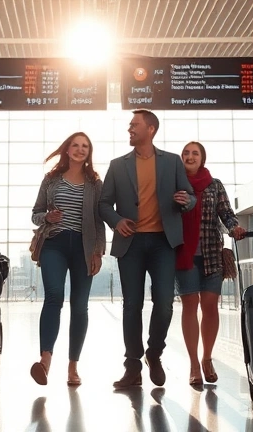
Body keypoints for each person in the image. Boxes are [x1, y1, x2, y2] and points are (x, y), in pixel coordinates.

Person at [99, 110, 196, 389]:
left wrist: (184, 200)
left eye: (134, 125)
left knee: (164, 303)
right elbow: (104, 204)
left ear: (150, 129)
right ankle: (132, 365)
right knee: (132, 306)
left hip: (163, 243)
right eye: (130, 125)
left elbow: (189, 195)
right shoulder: (118, 165)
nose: (129, 128)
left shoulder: (173, 162)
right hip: (131, 244)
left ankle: (154, 352)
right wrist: (117, 221)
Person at [29, 132, 106, 387]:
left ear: (89, 152)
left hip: (84, 248)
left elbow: (99, 220)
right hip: (55, 244)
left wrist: (98, 251)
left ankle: (73, 367)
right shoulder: (51, 180)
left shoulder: (95, 183)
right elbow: (36, 213)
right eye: (75, 145)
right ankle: (45, 361)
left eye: (85, 146)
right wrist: (46, 218)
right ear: (67, 149)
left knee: (80, 305)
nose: (80, 149)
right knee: (53, 296)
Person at [177, 142, 246, 386]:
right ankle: (194, 364)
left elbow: (226, 212)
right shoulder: (175, 184)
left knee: (210, 306)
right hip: (184, 254)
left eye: (195, 153)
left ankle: (207, 358)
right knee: (190, 305)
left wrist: (234, 227)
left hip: (211, 253)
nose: (190, 156)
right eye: (186, 153)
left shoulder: (214, 184)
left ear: (202, 158)